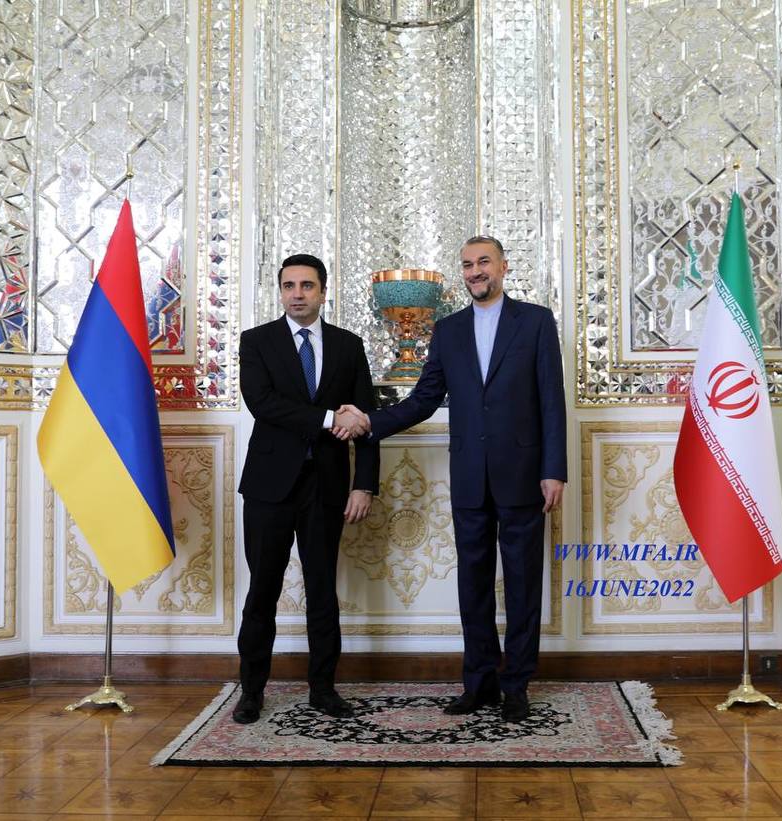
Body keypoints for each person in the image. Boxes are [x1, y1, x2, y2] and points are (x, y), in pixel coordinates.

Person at [335, 236, 565, 722]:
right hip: (469, 478)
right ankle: (478, 683)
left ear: (503, 267)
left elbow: (551, 399)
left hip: (524, 475)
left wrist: (553, 470)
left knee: (523, 584)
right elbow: (424, 399)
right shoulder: (448, 329)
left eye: (484, 262)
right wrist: (370, 421)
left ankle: (517, 685)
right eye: (467, 264)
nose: (475, 271)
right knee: (473, 585)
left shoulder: (536, 321)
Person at [234, 253, 379, 724]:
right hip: (268, 488)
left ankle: (323, 689)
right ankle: (251, 691)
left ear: (322, 291)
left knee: (322, 591)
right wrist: (329, 417)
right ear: (280, 292)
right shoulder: (256, 342)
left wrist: (365, 485)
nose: (297, 294)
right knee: (262, 591)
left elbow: (367, 421)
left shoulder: (348, 346)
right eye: (289, 286)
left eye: (307, 286)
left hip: (326, 488)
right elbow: (263, 403)